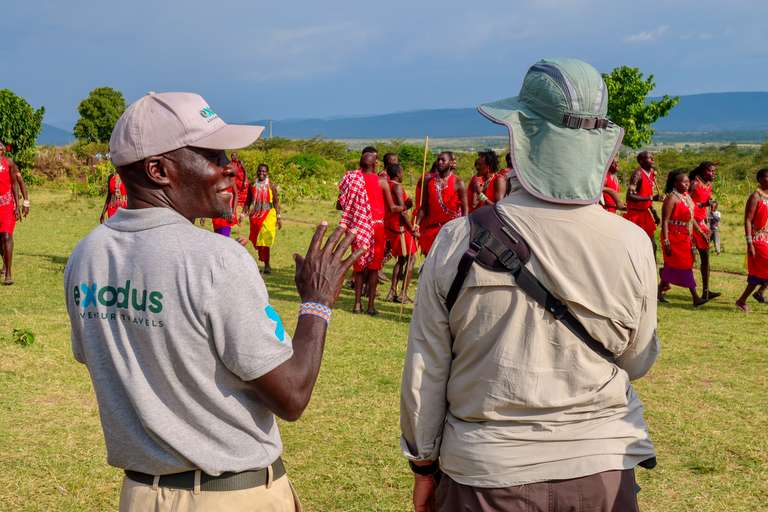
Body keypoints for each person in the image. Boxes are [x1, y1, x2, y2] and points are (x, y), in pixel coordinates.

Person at [64, 92, 361, 511]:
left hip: (141, 495)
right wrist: (317, 302)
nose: (230, 168)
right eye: (212, 156)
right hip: (229, 496)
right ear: (158, 170)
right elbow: (291, 395)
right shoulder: (216, 258)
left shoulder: (86, 255)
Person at [402, 58, 658, 512]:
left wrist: (424, 465)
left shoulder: (458, 239)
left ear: (521, 135)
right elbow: (637, 361)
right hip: (603, 471)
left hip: (487, 474)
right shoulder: (633, 242)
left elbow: (427, 370)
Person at [337, 146, 405, 315]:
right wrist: (405, 206)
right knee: (374, 268)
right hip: (376, 228)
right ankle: (371, 306)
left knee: (359, 268)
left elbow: (340, 204)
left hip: (357, 228)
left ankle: (357, 304)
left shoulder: (352, 179)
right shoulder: (381, 182)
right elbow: (392, 208)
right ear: (375, 164)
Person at [657, 170, 711, 306]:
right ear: (675, 183)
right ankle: (695, 297)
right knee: (685, 266)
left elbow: (691, 217)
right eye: (684, 182)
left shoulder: (686, 197)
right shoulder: (671, 198)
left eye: (688, 182)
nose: (687, 184)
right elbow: (665, 221)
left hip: (685, 236)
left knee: (672, 266)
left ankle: (658, 291)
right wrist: (666, 240)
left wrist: (701, 232)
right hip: (673, 236)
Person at [415, 152, 467, 256]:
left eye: (443, 160)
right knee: (430, 260)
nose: (439, 162)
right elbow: (423, 207)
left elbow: (465, 210)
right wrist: (416, 224)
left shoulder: (458, 182)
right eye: (438, 159)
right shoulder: (428, 181)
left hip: (451, 230)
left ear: (451, 163)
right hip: (432, 230)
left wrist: (463, 229)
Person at [384, 164, 418, 303]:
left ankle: (392, 292)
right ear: (398, 173)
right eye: (402, 172)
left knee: (402, 259)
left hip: (392, 226)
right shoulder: (397, 187)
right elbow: (402, 212)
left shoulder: (388, 185)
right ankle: (402, 293)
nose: (403, 175)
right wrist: (412, 229)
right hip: (400, 228)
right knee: (411, 259)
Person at [736, 168, 768, 311]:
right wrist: (749, 243)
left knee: (758, 273)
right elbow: (748, 220)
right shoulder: (755, 196)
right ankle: (754, 294)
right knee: (759, 271)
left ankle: (743, 299)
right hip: (756, 239)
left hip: (765, 238)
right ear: (760, 179)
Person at [688, 161, 721, 300]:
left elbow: (706, 202)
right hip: (690, 224)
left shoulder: (708, 185)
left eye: (714, 171)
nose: (713, 173)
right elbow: (685, 202)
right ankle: (663, 283)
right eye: (710, 171)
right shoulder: (694, 184)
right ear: (702, 171)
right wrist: (703, 204)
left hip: (702, 224)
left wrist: (711, 205)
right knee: (686, 259)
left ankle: (706, 292)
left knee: (705, 258)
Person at [0, 142, 29, 285]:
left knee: (6, 236)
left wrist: (22, 204)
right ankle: (5, 264)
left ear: (3, 151)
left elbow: (16, 183)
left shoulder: (9, 163)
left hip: (7, 205)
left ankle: (8, 274)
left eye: (0, 148)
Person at [245, 163, 282, 274]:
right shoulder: (253, 185)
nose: (262, 173)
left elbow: (276, 202)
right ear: (257, 172)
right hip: (256, 215)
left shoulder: (271, 186)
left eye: (264, 171)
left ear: (267, 173)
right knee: (258, 240)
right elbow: (248, 200)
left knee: (265, 239)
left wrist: (278, 217)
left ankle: (267, 265)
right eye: (260, 171)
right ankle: (264, 260)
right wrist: (243, 213)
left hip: (269, 214)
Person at [624, 151, 663, 253]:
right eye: (649, 158)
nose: (652, 160)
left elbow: (645, 195)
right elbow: (629, 196)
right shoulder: (638, 174)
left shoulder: (650, 175)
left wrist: (654, 213)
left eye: (652, 157)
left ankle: (651, 263)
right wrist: (651, 197)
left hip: (645, 213)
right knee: (637, 246)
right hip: (635, 215)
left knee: (652, 245)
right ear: (641, 161)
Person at [231, 151, 250, 218]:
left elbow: (245, 171)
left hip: (242, 181)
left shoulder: (240, 162)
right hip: (236, 182)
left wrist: (245, 181)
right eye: (232, 156)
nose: (233, 157)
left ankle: (246, 211)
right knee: (237, 196)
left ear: (237, 156)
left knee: (245, 197)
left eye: (234, 155)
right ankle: (237, 212)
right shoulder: (231, 163)